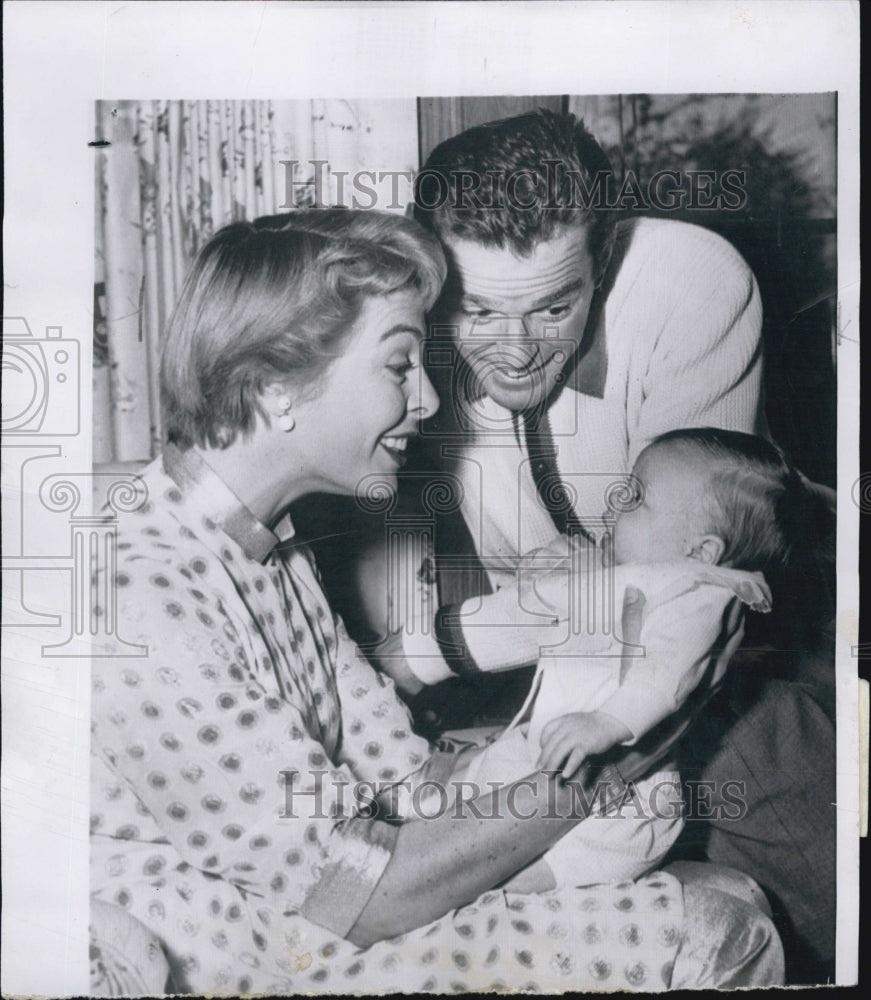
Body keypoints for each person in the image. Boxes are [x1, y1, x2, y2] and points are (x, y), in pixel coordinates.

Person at [89, 210, 785, 994]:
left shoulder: (269, 546)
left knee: (727, 895)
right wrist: (615, 760)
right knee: (719, 930)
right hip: (264, 949)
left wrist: (602, 704)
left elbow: (409, 782)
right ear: (274, 388)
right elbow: (359, 894)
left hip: (329, 909)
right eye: (398, 365)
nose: (426, 399)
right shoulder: (140, 588)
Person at [327, 109, 834, 982]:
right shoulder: (402, 330)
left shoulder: (690, 285)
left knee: (767, 756)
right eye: (476, 309)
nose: (514, 352)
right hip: (546, 668)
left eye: (553, 307)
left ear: (603, 261)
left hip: (737, 670)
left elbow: (679, 591)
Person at [413, 427, 817, 894]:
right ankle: (432, 840)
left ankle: (477, 893)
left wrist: (608, 723)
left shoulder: (703, 594)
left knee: (518, 877)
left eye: (636, 497)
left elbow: (668, 675)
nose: (616, 501)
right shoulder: (648, 575)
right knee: (483, 783)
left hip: (620, 804)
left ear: (701, 551)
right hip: (552, 750)